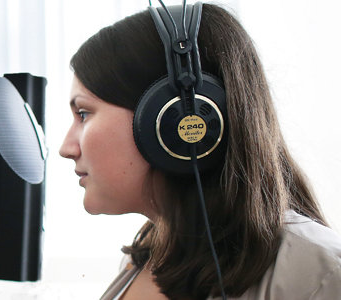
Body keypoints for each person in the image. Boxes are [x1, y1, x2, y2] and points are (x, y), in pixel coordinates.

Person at [59, 2, 341, 300]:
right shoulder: (146, 258)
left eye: (83, 113)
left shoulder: (318, 274)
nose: (67, 148)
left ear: (172, 115)